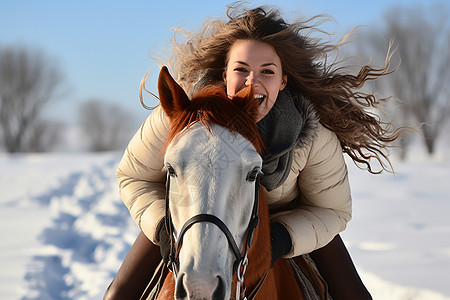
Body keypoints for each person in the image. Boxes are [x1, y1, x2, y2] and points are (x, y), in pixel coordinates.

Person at [105, 3, 401, 300]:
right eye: (241, 69)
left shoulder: (312, 135)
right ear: (225, 73)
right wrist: (162, 227)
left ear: (283, 80)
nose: (252, 82)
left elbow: (332, 209)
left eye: (267, 72)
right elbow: (133, 176)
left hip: (284, 225)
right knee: (117, 295)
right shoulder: (181, 116)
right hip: (190, 221)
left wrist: (282, 238)